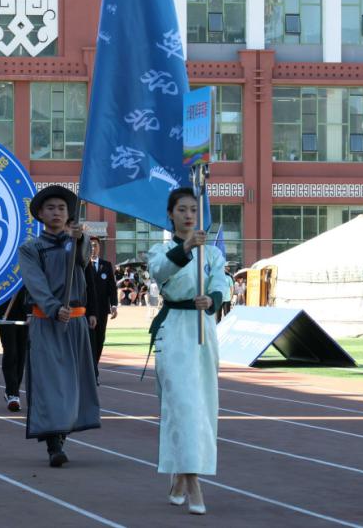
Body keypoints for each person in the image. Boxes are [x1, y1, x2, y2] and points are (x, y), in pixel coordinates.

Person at [147, 187, 225, 516]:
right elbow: (159, 272)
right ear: (170, 214)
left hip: (203, 331)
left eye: (193, 209)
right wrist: (187, 248)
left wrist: (213, 300)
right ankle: (194, 482)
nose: (189, 215)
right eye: (181, 209)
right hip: (174, 330)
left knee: (202, 406)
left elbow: (222, 284)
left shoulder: (213, 253)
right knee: (182, 406)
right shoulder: (161, 250)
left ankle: (179, 477)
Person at [19, 185, 100, 467]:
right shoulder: (31, 249)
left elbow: (83, 261)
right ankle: (54, 444)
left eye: (62, 208)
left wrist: (80, 239)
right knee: (50, 383)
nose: (56, 212)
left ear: (69, 214)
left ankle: (62, 435)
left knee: (75, 383)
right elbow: (35, 283)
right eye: (50, 208)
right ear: (40, 214)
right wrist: (53, 308)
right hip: (47, 322)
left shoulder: (75, 242)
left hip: (76, 323)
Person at [84, 236, 118, 382]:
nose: (93, 248)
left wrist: (114, 305)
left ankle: (94, 368)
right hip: (87, 311)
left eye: (95, 245)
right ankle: (93, 373)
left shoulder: (106, 265)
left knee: (99, 340)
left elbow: (112, 288)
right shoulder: (83, 265)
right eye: (90, 246)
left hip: (103, 310)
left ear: (99, 247)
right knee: (90, 341)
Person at [0, 288, 29, 412]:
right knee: (10, 352)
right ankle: (13, 394)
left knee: (21, 354)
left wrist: (31, 313)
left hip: (25, 311)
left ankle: (12, 391)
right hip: (4, 312)